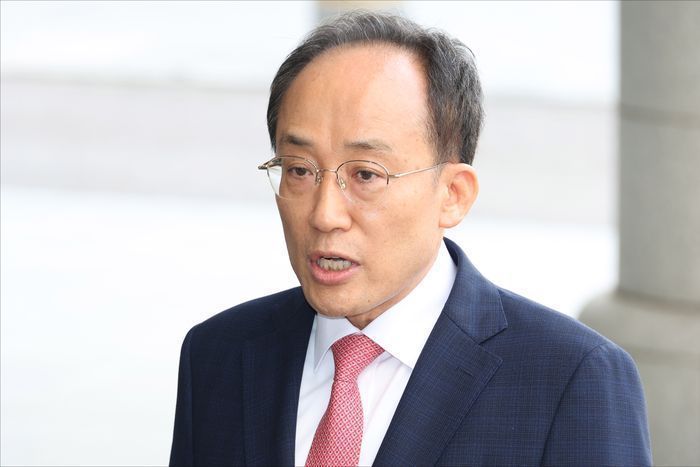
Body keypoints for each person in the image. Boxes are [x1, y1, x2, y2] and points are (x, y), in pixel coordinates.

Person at [170, 11, 652, 466]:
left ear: (453, 195)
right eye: (299, 170)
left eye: (365, 174)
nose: (324, 214)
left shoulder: (571, 378)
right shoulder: (218, 355)